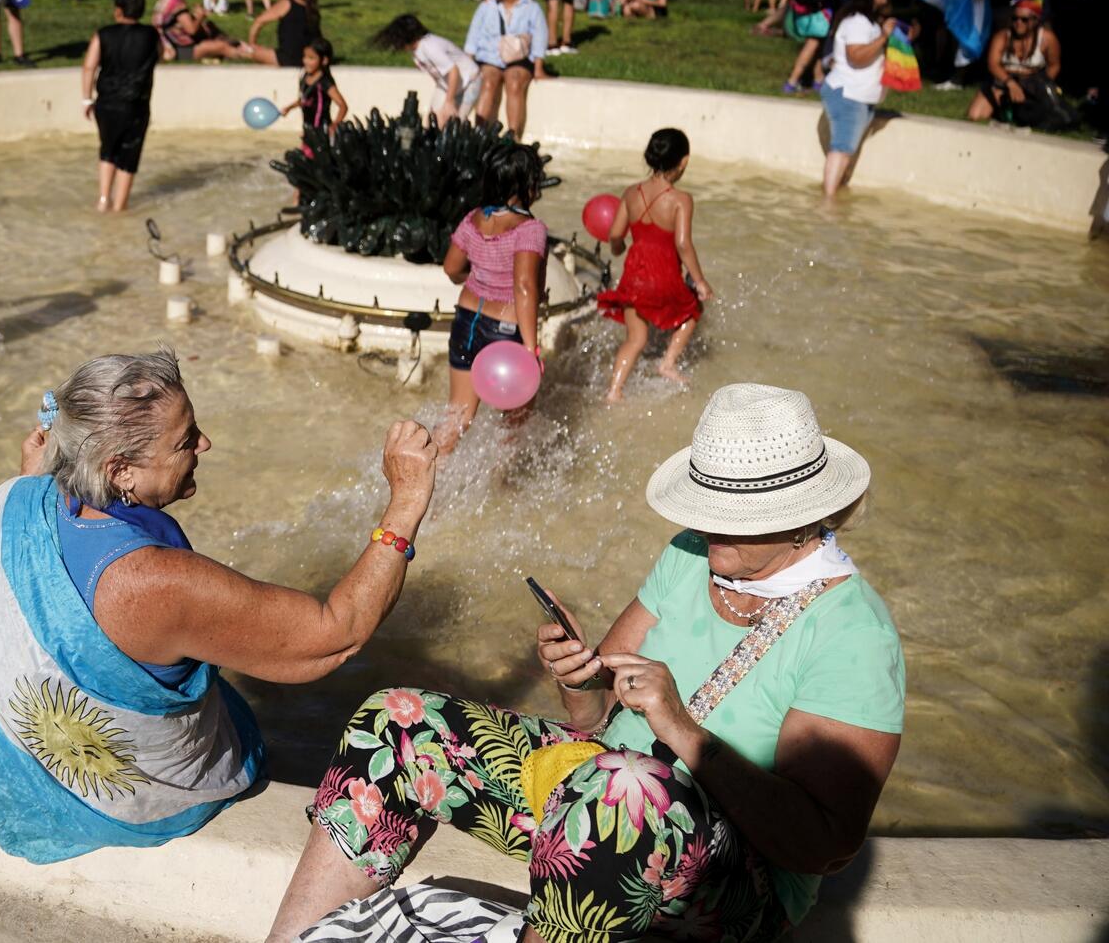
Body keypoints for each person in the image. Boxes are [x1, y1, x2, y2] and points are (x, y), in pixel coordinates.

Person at [268, 382, 902, 943]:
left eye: (729, 518)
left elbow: (825, 844)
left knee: (624, 793)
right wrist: (577, 679)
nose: (706, 528)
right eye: (704, 508)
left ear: (799, 522)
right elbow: (597, 721)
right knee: (397, 720)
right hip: (596, 795)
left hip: (730, 879)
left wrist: (679, 727)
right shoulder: (692, 554)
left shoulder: (853, 636)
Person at [0, 350, 442, 863]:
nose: (204, 443)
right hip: (121, 809)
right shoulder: (151, 581)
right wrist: (406, 502)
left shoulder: (14, 499)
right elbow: (335, 635)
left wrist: (27, 487)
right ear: (120, 471)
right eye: (186, 440)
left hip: (11, 791)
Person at [437, 139, 547, 447]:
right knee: (515, 422)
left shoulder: (473, 219)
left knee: (457, 417)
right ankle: (504, 488)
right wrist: (531, 349)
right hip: (506, 330)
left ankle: (425, 477)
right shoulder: (530, 229)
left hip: (466, 321)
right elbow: (524, 287)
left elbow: (451, 268)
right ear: (527, 183)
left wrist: (478, 277)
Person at [598, 128, 713, 401]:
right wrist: (699, 281)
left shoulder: (630, 193)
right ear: (683, 162)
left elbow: (615, 236)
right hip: (663, 275)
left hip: (634, 275)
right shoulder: (681, 200)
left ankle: (614, 391)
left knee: (636, 339)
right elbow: (683, 244)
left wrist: (618, 248)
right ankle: (668, 363)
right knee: (691, 311)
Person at [83, 0, 166, 212]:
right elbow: (163, 54)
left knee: (108, 149)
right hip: (136, 104)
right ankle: (120, 206)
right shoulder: (150, 35)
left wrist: (86, 100)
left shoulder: (104, 34)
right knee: (129, 154)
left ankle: (102, 200)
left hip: (106, 103)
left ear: (118, 11)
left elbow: (89, 66)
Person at [817, 0, 891, 201]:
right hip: (849, 94)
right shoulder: (858, 22)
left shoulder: (868, 23)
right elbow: (856, 56)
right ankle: (828, 203)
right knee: (841, 148)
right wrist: (885, 36)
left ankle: (833, 196)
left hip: (858, 95)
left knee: (845, 148)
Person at [465, 0, 550, 135]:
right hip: (490, 57)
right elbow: (473, 35)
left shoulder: (531, 8)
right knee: (488, 82)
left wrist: (538, 67)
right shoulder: (486, 6)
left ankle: (513, 136)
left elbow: (540, 37)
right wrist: (468, 62)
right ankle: (480, 133)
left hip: (519, 59)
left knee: (514, 83)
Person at [968, 0, 1067, 126]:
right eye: (1015, 18)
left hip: (1032, 83)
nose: (1018, 23)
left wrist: (1041, 86)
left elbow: (1054, 65)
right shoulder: (1003, 36)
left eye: (1024, 20)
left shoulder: (1047, 38)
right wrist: (1011, 83)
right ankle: (1002, 108)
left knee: (1040, 118)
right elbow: (993, 65)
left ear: (1036, 20)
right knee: (975, 115)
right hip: (1004, 81)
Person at [372, 13, 478, 123]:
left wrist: (449, 101)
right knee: (433, 121)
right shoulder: (416, 50)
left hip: (469, 81)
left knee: (451, 123)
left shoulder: (429, 47)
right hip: (447, 84)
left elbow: (453, 70)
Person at [154, 0, 247, 63]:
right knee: (221, 46)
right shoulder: (177, 4)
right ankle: (247, 55)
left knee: (209, 27)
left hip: (167, 44)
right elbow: (192, 30)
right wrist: (200, 16)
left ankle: (235, 47)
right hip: (177, 50)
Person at [244, 0, 322, 69]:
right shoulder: (313, 11)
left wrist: (252, 44)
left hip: (287, 58)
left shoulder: (287, 4)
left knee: (245, 51)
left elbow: (259, 22)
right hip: (307, 58)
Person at [279, 38, 346, 148]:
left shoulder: (324, 83)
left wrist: (335, 124)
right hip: (308, 131)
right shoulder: (305, 77)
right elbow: (305, 100)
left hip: (321, 132)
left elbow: (343, 106)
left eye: (311, 58)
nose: (306, 61)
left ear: (324, 60)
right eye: (305, 57)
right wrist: (290, 107)